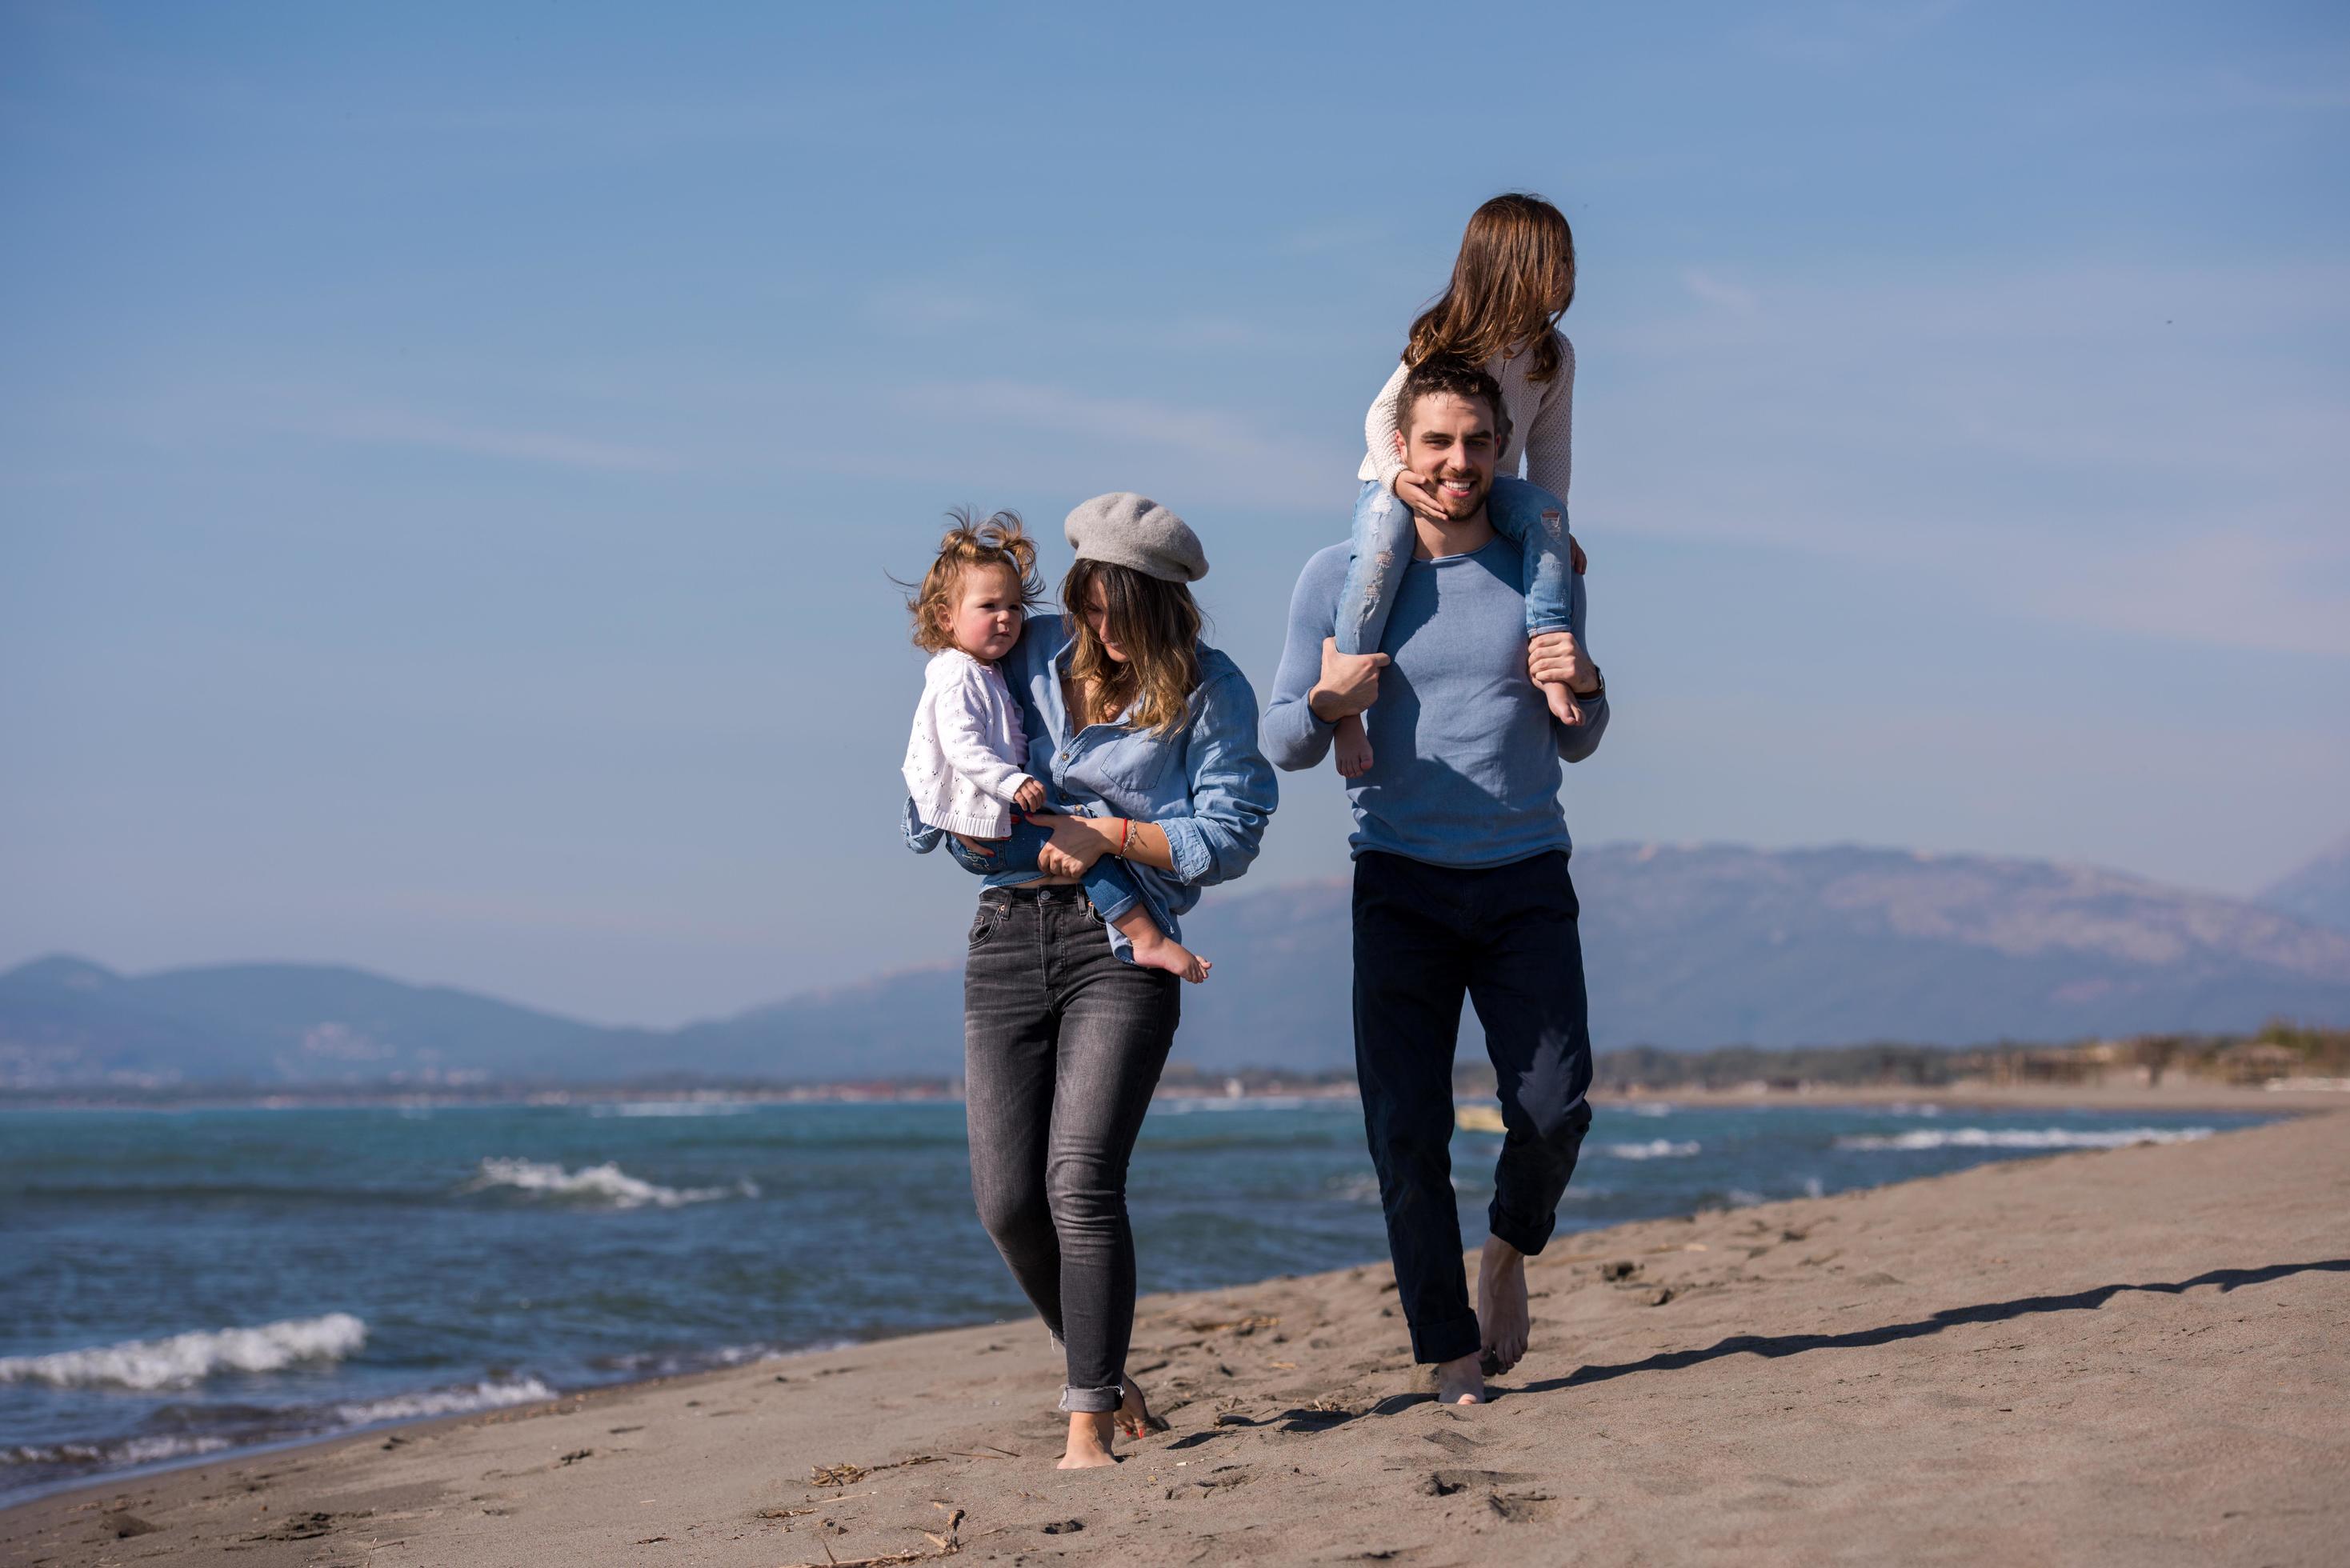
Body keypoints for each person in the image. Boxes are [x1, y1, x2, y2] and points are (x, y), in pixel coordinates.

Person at [1260, 357, 1609, 1406]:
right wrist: (1328, 703)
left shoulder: (1538, 567)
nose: (1458, 464)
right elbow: (1282, 739)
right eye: (1438, 443)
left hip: (1523, 876)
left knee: (1553, 1107)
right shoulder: (1336, 578)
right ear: (1400, 453)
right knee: (1406, 1131)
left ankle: (1506, 1251)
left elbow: (1581, 737)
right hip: (1399, 883)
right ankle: (1450, 1356)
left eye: (1477, 443)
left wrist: (1584, 685)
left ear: (1500, 451)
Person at [915, 492, 1275, 1468]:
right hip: (1003, 936)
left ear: (1164, 605)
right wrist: (960, 825)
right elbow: (946, 751)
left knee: (1079, 1181)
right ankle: (1106, 1369)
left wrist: (1106, 833)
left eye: (1120, 607)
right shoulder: (1019, 646)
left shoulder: (1211, 687)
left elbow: (1230, 834)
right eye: (1086, 602)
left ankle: (1085, 1425)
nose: (1097, 628)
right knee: (1006, 1204)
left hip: (1122, 947)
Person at [1331, 191, 1588, 779]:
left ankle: (1550, 666)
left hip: (1489, 483)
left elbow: (1550, 445)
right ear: (1510, 265)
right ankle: (1348, 700)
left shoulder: (1555, 354)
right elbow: (1378, 416)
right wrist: (1396, 479)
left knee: (1545, 519)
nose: (1567, 275)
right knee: (1378, 553)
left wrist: (1557, 525)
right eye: (1555, 261)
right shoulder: (1445, 337)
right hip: (1403, 480)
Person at [901, 509, 1210, 981]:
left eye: (1015, 607)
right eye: (989, 608)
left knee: (1088, 835)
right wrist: (1003, 786)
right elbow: (959, 747)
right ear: (946, 618)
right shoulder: (958, 674)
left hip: (998, 833)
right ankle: (1146, 939)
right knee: (1086, 841)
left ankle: (1143, 935)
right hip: (995, 849)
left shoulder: (994, 664)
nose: (1007, 620)